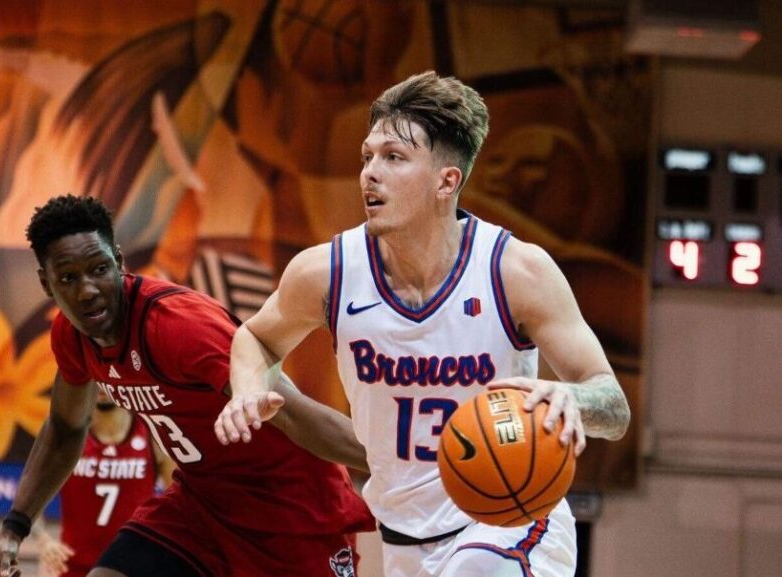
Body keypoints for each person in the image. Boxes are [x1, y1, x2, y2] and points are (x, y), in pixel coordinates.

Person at [215, 70, 632, 577]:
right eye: (367, 156)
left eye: (393, 157)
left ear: (446, 181)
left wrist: (572, 399)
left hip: (513, 523)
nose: (370, 173)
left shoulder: (515, 271)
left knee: (477, 568)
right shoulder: (327, 272)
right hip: (404, 542)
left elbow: (613, 407)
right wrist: (246, 390)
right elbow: (256, 338)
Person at [0, 194, 374, 577]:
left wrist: (399, 464)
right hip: (202, 504)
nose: (88, 290)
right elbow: (64, 429)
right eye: (68, 278)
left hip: (290, 505)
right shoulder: (71, 336)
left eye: (98, 269)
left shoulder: (178, 328)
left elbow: (297, 415)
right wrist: (13, 530)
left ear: (118, 261)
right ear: (47, 284)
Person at [33, 389, 175, 577]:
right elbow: (30, 497)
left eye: (106, 380)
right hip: (73, 567)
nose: (101, 386)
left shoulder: (151, 433)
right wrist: (44, 541)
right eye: (96, 379)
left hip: (132, 566)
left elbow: (177, 503)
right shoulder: (67, 435)